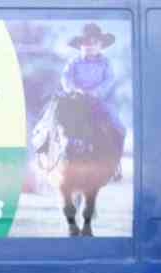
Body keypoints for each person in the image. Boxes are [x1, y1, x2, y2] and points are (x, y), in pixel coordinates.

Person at [60, 23, 125, 170]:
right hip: (76, 100)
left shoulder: (105, 62)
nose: (90, 46)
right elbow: (65, 77)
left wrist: (96, 91)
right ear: (80, 46)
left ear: (101, 45)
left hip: (99, 100)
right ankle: (64, 153)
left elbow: (109, 80)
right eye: (86, 43)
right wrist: (74, 89)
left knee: (117, 126)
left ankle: (114, 160)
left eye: (94, 43)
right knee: (63, 121)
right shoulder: (74, 62)